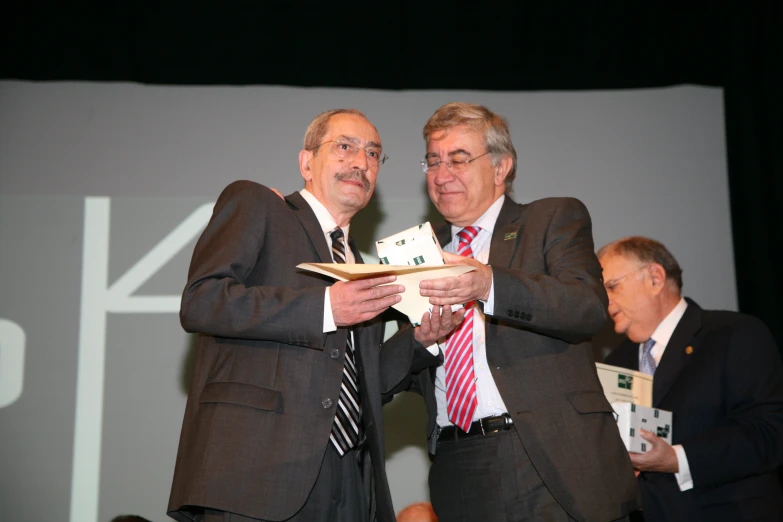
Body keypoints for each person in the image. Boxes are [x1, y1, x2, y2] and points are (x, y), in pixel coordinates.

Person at [381, 102, 639, 522]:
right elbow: (385, 377)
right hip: (457, 462)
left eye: (459, 159)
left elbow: (587, 306)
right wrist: (422, 341)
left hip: (545, 457)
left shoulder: (551, 218)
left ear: (501, 168)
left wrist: (488, 283)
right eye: (433, 161)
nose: (441, 175)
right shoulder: (415, 254)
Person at [167, 109, 408, 522]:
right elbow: (203, 300)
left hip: (349, 481)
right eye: (345, 147)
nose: (360, 162)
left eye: (373, 154)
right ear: (306, 162)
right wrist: (325, 308)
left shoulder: (363, 266)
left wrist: (420, 344)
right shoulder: (260, 205)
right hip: (256, 469)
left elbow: (366, 386)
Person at [599, 236, 783, 521]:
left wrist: (677, 459)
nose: (605, 301)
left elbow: (769, 434)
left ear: (655, 279)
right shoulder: (613, 364)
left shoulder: (735, 334)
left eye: (612, 286)